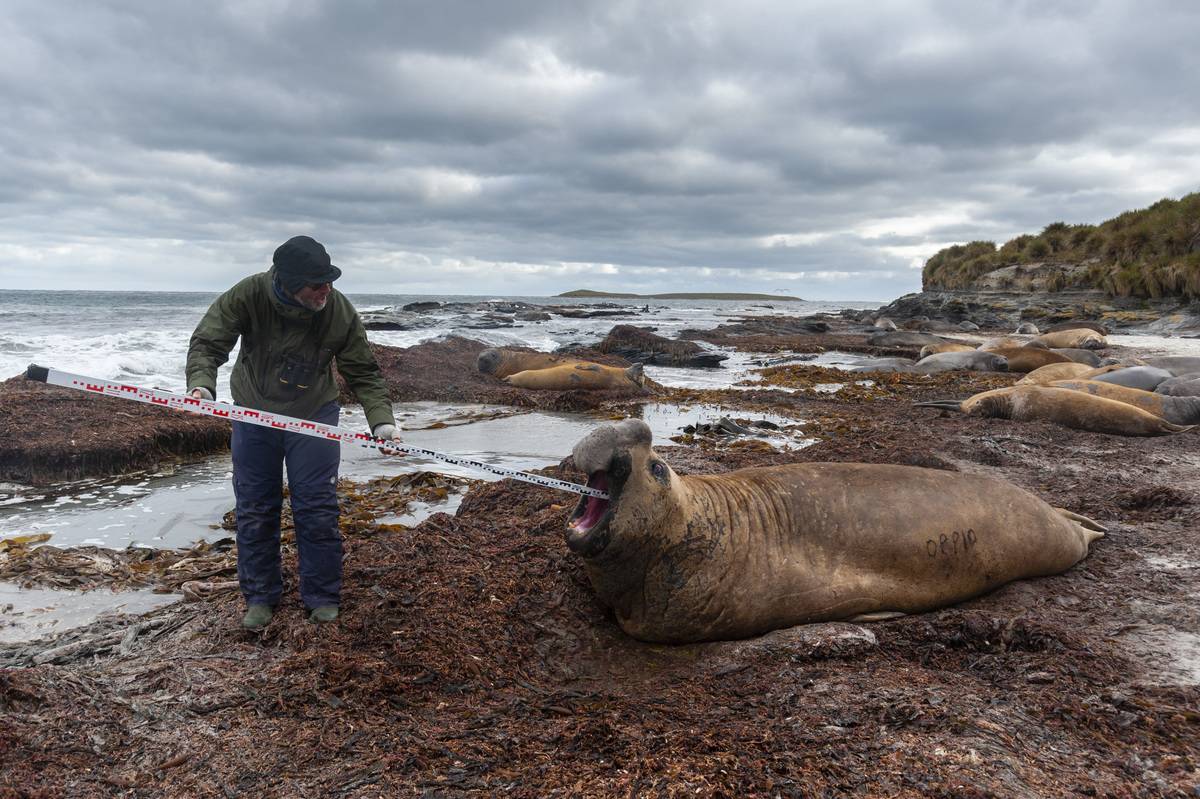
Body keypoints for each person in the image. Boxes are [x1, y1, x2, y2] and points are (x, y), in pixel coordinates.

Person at [186, 235, 401, 630]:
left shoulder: (337, 309)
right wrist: (202, 385)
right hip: (253, 413)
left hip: (314, 415)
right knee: (254, 508)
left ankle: (321, 596)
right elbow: (207, 342)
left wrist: (381, 422)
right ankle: (260, 597)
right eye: (317, 284)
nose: (326, 290)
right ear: (287, 281)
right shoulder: (248, 294)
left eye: (329, 281)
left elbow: (364, 372)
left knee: (316, 507)